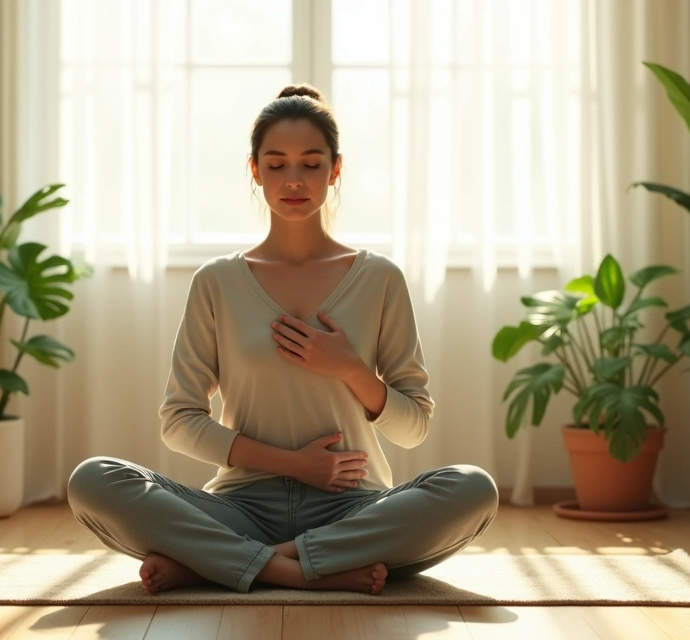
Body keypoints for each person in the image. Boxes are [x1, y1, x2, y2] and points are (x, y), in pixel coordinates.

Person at [67, 84, 498, 595]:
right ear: (255, 171)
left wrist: (351, 369)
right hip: (241, 506)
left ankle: (225, 563)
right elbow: (179, 421)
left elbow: (414, 427)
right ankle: (299, 568)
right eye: (276, 165)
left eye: (311, 164)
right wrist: (295, 465)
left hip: (352, 507)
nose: (293, 180)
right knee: (93, 479)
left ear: (336, 170)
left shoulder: (380, 278)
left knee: (473, 488)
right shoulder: (217, 282)